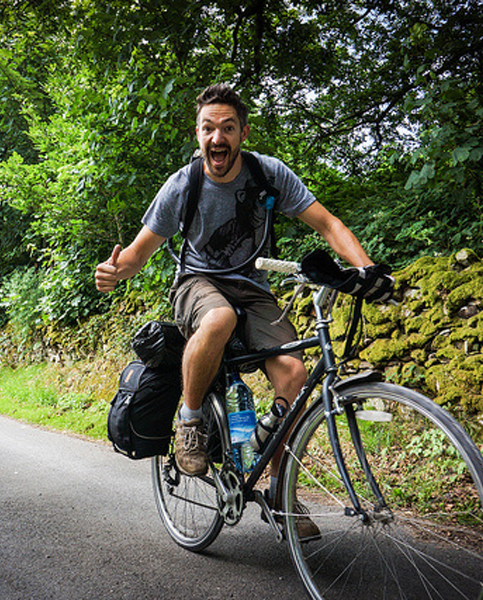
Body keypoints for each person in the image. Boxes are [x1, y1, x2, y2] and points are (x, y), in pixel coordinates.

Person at [95, 84, 376, 536]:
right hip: (197, 284)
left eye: (227, 128)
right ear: (198, 135)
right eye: (209, 128)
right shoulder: (184, 185)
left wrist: (365, 269)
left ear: (243, 132)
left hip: (253, 286)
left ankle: (282, 491)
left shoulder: (268, 175)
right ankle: (190, 423)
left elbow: (327, 223)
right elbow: (136, 254)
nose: (217, 138)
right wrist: (113, 272)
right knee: (219, 317)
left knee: (293, 372)